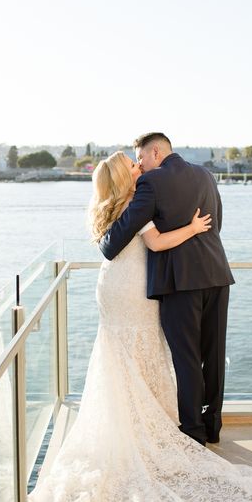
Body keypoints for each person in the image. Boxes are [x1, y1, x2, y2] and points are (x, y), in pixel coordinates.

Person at [27, 150, 252, 502]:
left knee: (121, 356)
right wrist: (196, 229)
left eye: (137, 160)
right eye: (132, 164)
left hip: (114, 287)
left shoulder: (115, 204)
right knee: (140, 351)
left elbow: (117, 245)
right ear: (125, 176)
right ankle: (146, 429)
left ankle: (131, 424)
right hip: (132, 291)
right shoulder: (139, 199)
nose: (138, 166)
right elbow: (159, 244)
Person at [100, 132, 234, 446]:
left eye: (141, 158)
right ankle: (212, 425)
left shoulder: (151, 183)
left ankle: (193, 431)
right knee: (213, 355)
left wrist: (104, 237)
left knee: (186, 357)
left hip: (180, 281)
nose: (140, 166)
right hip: (217, 274)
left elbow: (122, 234)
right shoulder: (206, 175)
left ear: (156, 151)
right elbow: (217, 224)